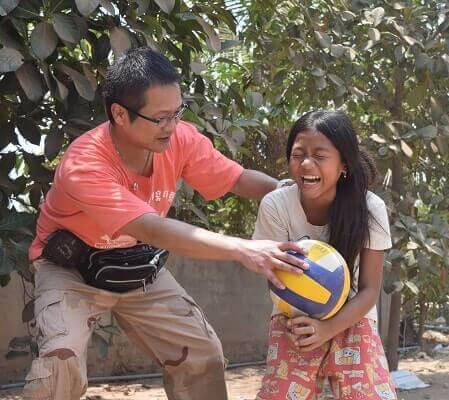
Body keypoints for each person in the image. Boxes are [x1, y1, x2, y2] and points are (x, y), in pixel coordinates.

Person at [22, 47, 307, 400]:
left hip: (139, 265)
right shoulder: (85, 163)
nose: (172, 126)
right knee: (58, 367)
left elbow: (236, 178)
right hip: (72, 272)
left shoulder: (180, 138)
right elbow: (151, 228)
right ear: (120, 114)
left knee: (202, 355)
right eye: (161, 118)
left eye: (177, 113)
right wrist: (242, 248)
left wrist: (292, 193)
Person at [253, 110, 397, 400]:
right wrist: (312, 328)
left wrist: (329, 327)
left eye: (319, 155)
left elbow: (369, 290)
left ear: (344, 163)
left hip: (354, 317)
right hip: (295, 320)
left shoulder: (369, 208)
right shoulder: (277, 205)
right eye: (298, 154)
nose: (306, 164)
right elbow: (273, 274)